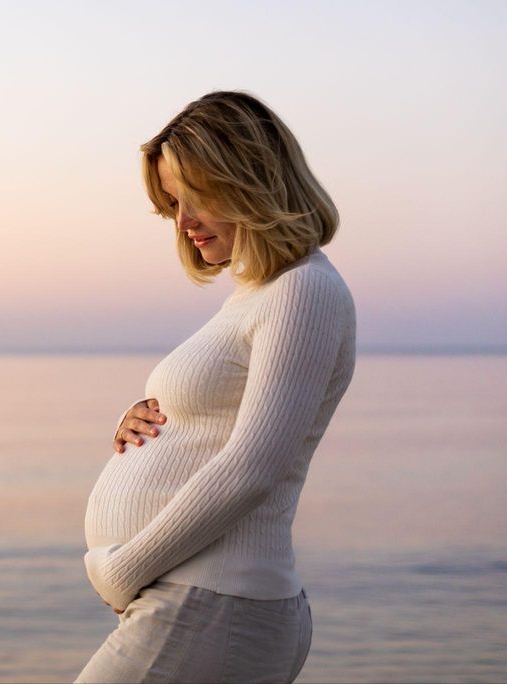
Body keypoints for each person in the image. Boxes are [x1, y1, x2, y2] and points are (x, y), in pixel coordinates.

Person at [75, 90, 357, 683]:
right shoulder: (259, 294)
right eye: (172, 205)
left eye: (194, 198)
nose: (182, 222)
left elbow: (255, 466)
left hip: (213, 604)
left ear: (248, 179)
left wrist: (123, 571)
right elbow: (220, 418)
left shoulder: (304, 290)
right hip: (196, 604)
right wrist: (148, 421)